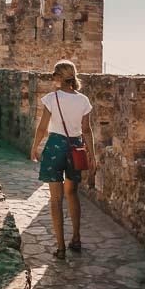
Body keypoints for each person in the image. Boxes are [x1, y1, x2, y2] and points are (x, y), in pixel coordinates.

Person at [30, 59, 96, 260]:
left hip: (55, 147)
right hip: (76, 147)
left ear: (59, 77)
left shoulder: (52, 98)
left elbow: (42, 127)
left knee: (55, 199)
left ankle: (60, 248)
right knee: (72, 194)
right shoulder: (83, 100)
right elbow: (86, 130)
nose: (53, 79)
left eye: (54, 75)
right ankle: (76, 238)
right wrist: (92, 155)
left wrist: (34, 147)